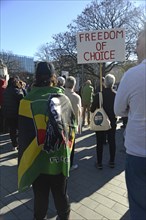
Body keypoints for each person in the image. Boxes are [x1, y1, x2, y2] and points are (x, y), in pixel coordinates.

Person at [18, 61, 76, 220]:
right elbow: (72, 130)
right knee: (61, 195)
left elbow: (23, 138)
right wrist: (68, 156)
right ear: (53, 77)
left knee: (40, 197)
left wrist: (23, 165)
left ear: (36, 77)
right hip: (59, 158)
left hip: (37, 161)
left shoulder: (26, 102)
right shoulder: (64, 99)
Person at [114, 28, 146, 220]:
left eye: (137, 42)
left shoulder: (133, 75)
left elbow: (118, 110)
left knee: (138, 205)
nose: (135, 47)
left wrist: (133, 111)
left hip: (138, 152)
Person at [90, 74, 117, 169]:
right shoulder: (116, 95)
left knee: (100, 142)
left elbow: (92, 109)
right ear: (113, 83)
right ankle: (112, 161)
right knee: (112, 141)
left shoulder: (99, 95)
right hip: (112, 121)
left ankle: (99, 163)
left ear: (104, 83)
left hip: (101, 121)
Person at [65, 76, 82, 171]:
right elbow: (78, 112)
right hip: (72, 125)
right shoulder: (77, 97)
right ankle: (70, 165)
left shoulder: (60, 94)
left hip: (61, 124)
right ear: (74, 85)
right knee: (71, 145)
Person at [2, 76, 24, 150]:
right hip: (17, 113)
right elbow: (22, 100)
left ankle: (14, 144)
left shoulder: (6, 91)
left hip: (8, 113)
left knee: (12, 129)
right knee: (19, 129)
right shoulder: (17, 91)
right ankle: (18, 144)